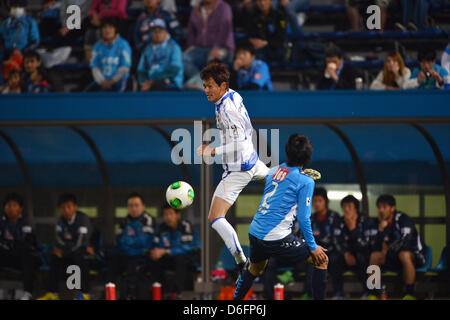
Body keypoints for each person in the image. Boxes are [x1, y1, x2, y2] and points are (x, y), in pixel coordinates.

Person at [233, 133, 329, 300]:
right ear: (308, 156)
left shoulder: (274, 171)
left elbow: (285, 184)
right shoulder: (306, 182)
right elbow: (304, 218)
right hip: (275, 237)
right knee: (321, 260)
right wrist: (313, 247)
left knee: (255, 268)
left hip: (255, 232)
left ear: (287, 151)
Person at [196, 62, 270, 273]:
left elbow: (239, 142)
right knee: (274, 179)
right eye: (204, 86)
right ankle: (296, 174)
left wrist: (213, 151)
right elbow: (246, 129)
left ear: (222, 85)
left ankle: (241, 261)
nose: (206, 90)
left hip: (238, 170)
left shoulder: (227, 109)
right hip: (252, 160)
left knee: (215, 217)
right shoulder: (233, 96)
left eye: (210, 86)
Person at [368, 194, 427, 300]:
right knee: (374, 256)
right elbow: (374, 247)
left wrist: (388, 250)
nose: (381, 210)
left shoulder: (403, 219)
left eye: (384, 207)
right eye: (379, 207)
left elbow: (406, 243)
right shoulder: (380, 223)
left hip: (415, 257)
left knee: (404, 254)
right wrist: (381, 231)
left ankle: (409, 293)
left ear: (392, 208)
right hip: (394, 257)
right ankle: (374, 292)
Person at [37, 193, 95, 300]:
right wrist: (62, 251)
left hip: (83, 254)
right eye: (63, 207)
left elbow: (80, 242)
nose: (66, 210)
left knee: (80, 255)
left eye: (69, 206)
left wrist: (64, 251)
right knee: (55, 256)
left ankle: (84, 293)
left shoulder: (83, 219)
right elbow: (59, 240)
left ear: (75, 207)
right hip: (69, 254)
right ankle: (52, 293)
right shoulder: (61, 221)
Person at [106, 192, 157, 299]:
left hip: (143, 257)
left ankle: (131, 295)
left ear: (143, 206)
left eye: (136, 205)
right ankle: (110, 295)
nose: (133, 208)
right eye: (130, 205)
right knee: (111, 262)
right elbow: (119, 241)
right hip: (126, 255)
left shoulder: (148, 220)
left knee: (135, 267)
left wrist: (128, 242)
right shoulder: (124, 222)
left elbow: (144, 242)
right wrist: (133, 243)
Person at [328, 195, 377, 299]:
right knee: (333, 258)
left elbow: (368, 245)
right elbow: (336, 241)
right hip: (346, 256)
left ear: (356, 208)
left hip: (363, 255)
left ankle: (370, 292)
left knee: (363, 257)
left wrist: (353, 229)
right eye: (344, 207)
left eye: (349, 206)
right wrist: (346, 254)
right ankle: (338, 293)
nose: (346, 209)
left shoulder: (366, 221)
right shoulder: (339, 222)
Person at [149, 203, 200, 299]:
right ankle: (160, 292)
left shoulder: (186, 226)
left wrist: (166, 251)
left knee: (180, 258)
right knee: (154, 261)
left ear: (178, 214)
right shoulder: (161, 229)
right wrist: (154, 252)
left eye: (171, 213)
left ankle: (177, 294)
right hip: (168, 260)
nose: (168, 217)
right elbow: (155, 245)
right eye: (165, 214)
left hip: (188, 260)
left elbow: (188, 248)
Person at [183, 0, 235, 82]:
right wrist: (191, 46)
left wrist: (216, 48)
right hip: (200, 48)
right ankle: (200, 81)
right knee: (183, 58)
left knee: (213, 60)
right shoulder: (196, 9)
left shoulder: (224, 7)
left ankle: (206, 84)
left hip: (222, 48)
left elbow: (224, 29)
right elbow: (191, 31)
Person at [0, 193, 40, 300]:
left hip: (25, 257)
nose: (11, 208)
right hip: (9, 256)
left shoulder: (26, 221)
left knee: (27, 255)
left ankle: (27, 293)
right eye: (8, 206)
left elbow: (26, 242)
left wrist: (7, 244)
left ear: (20, 209)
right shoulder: (2, 222)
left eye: (14, 205)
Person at [137, 19, 183, 91]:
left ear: (166, 32)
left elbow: (175, 69)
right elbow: (141, 70)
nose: (157, 34)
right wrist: (144, 82)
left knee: (157, 86)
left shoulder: (174, 47)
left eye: (160, 31)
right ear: (150, 33)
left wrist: (153, 80)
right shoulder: (147, 49)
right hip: (150, 82)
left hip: (171, 80)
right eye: (154, 32)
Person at [88, 18, 132, 92]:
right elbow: (94, 67)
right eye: (104, 27)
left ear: (115, 29)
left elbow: (125, 68)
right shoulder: (97, 46)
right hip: (101, 82)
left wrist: (112, 81)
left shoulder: (123, 44)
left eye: (110, 27)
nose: (107, 30)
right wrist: (102, 82)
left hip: (120, 81)